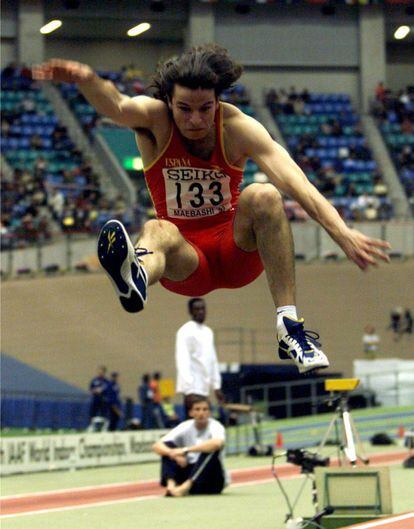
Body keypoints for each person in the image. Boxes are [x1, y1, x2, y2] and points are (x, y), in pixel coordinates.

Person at [33, 45, 390, 375]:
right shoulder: (155, 120)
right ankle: (136, 276)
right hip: (185, 260)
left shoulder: (239, 128)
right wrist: (86, 79)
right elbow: (117, 105)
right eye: (184, 109)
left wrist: (342, 233)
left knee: (264, 195)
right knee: (157, 228)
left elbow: (298, 183)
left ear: (218, 101)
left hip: (235, 251)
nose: (195, 120)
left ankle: (290, 329)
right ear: (168, 103)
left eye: (206, 109)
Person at [152, 395, 227, 497]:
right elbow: (157, 445)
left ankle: (186, 487)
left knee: (212, 449)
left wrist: (185, 450)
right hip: (188, 471)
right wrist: (173, 453)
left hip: (211, 480)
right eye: (197, 409)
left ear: (209, 413)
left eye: (205, 410)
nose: (201, 413)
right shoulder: (185, 426)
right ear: (191, 413)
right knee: (168, 446)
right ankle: (171, 485)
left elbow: (217, 443)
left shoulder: (215, 426)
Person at [175, 297, 224, 415]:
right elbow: (182, 360)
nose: (201, 311)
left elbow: (212, 360)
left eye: (203, 308)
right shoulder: (185, 331)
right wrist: (188, 389)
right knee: (195, 427)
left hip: (204, 389)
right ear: (191, 311)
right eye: (197, 309)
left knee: (204, 427)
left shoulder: (208, 332)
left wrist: (216, 386)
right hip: (193, 389)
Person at [88, 366, 110, 430]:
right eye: (99, 371)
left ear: (104, 372)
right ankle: (91, 426)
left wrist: (101, 391)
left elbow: (107, 390)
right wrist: (95, 391)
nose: (100, 372)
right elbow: (91, 389)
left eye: (102, 371)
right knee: (92, 413)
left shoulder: (106, 382)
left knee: (103, 414)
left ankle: (104, 427)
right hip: (95, 400)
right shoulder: (94, 380)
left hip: (103, 400)